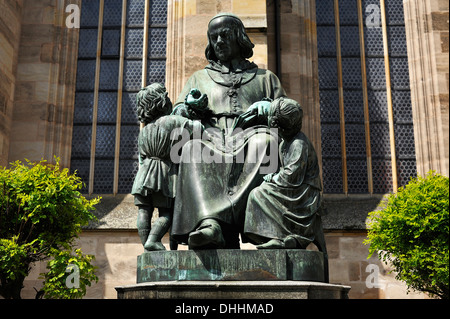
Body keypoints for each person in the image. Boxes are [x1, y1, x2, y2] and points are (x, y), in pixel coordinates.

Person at [170, 13, 286, 249]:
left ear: (240, 37)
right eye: (214, 38)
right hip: (210, 136)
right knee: (191, 149)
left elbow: (289, 115)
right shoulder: (198, 78)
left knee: (266, 143)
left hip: (251, 135)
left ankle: (258, 227)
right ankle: (209, 224)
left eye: (225, 35)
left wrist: (270, 108)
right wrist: (189, 108)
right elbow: (176, 114)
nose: (219, 41)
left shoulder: (266, 78)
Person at [243, 97, 325, 250]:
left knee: (258, 194)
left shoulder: (298, 143)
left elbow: (292, 175)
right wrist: (274, 177)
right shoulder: (285, 143)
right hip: (294, 188)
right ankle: (275, 236)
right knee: (259, 193)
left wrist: (274, 177)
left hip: (304, 194)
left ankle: (280, 236)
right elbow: (287, 172)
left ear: (280, 127)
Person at [131, 83, 205, 251]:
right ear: (162, 102)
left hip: (143, 175)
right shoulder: (173, 121)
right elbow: (199, 129)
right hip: (163, 172)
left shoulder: (144, 130)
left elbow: (142, 158)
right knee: (167, 213)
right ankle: (154, 239)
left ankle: (146, 245)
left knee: (144, 211)